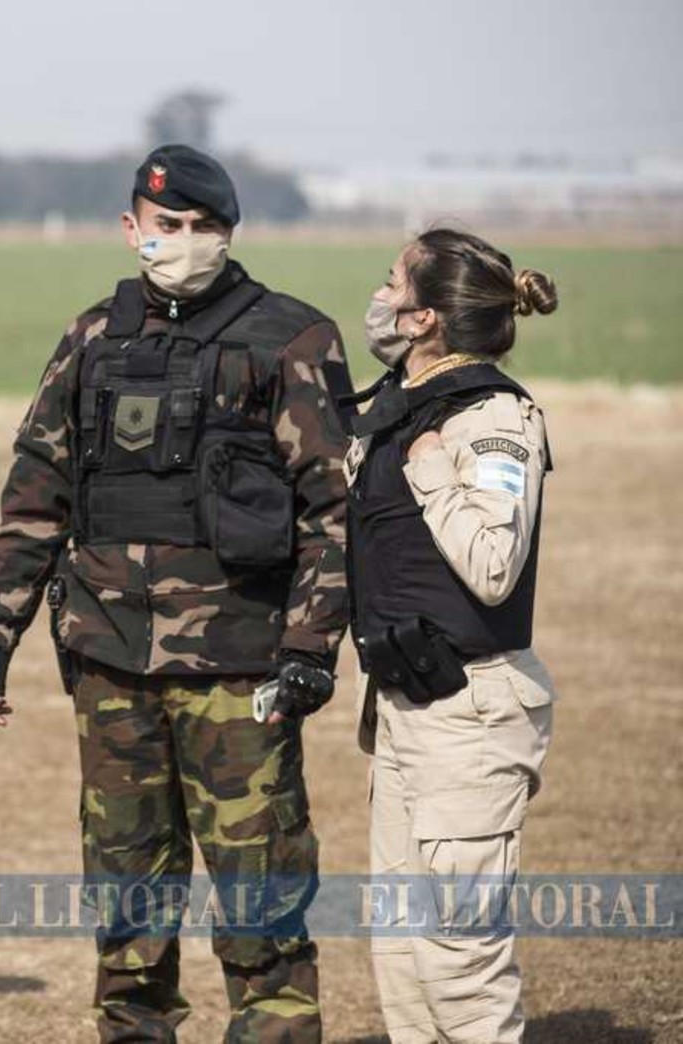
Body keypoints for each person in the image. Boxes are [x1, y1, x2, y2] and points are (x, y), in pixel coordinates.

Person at [0, 144, 351, 1043]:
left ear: (229, 234)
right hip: (109, 665)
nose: (184, 242)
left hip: (239, 668)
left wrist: (307, 650)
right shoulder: (92, 338)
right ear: (131, 228)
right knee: (126, 897)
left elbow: (333, 511)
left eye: (203, 228)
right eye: (167, 226)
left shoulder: (290, 338)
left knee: (260, 896)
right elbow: (36, 493)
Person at [347, 228, 559, 1043]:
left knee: (459, 967)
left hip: (468, 716)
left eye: (392, 282)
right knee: (402, 958)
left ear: (425, 318)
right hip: (405, 706)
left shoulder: (493, 416)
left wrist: (432, 468)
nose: (380, 295)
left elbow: (494, 562)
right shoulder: (403, 406)